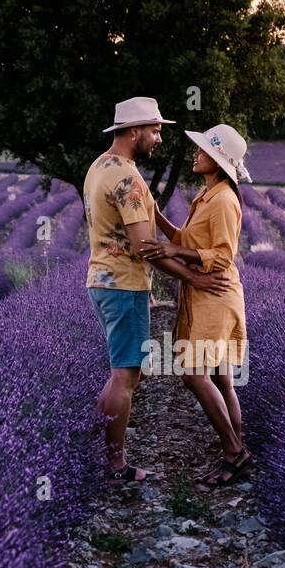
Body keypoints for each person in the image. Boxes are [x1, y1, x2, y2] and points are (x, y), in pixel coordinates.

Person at [84, 97, 231, 484]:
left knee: (127, 371)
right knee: (127, 376)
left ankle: (90, 445)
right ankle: (116, 466)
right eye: (155, 130)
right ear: (134, 132)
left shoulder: (100, 167)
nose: (159, 138)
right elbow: (143, 248)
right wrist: (193, 278)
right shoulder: (129, 180)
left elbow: (145, 226)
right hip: (125, 286)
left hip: (101, 281)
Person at [138, 123, 252, 487]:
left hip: (215, 295)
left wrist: (174, 251)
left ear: (218, 161)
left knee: (193, 374)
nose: (195, 154)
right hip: (208, 295)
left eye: (203, 151)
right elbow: (187, 239)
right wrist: (157, 217)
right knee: (221, 378)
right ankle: (234, 453)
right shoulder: (207, 196)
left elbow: (221, 256)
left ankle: (235, 453)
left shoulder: (223, 201)